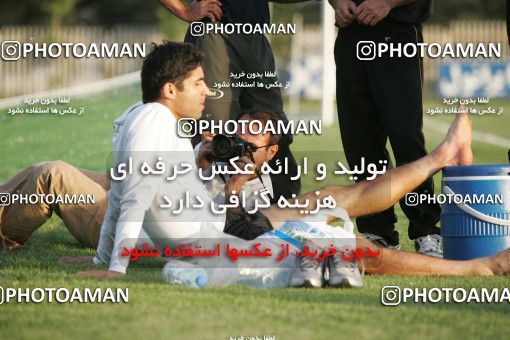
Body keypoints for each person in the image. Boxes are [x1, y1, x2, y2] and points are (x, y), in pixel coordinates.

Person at [2, 42, 510, 284]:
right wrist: (203, 162)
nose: (238, 140)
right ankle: (475, 260)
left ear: (270, 154)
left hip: (205, 225)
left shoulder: (265, 183)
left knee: (332, 218)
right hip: (183, 219)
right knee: (57, 173)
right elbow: (139, 189)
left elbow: (141, 199)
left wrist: (111, 262)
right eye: (239, 130)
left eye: (255, 141)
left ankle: (443, 167)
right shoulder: (170, 130)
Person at [159, 0, 309, 201]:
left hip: (255, 34)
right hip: (214, 30)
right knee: (217, 139)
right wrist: (184, 10)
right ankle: (212, 223)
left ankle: (279, 220)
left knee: (273, 133)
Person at [328, 0, 443, 257]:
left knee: (406, 136)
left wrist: (387, 3)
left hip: (397, 31)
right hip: (350, 35)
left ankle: (426, 230)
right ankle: (378, 231)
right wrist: (337, 2)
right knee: (360, 140)